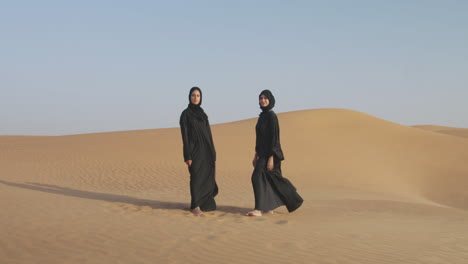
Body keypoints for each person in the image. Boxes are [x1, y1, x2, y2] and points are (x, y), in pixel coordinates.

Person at [246, 89, 303, 216]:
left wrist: (272, 157)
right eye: (261, 98)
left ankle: (258, 209)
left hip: (270, 154)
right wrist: (255, 155)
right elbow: (259, 138)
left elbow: (274, 138)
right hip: (262, 154)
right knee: (269, 179)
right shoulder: (262, 117)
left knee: (256, 177)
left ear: (270, 100)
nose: (263, 100)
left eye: (265, 98)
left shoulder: (271, 116)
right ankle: (269, 208)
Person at [179, 87, 218, 216]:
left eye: (198, 95)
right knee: (195, 177)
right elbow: (185, 136)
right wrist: (187, 155)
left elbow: (208, 133)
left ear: (201, 98)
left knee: (206, 177)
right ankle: (195, 205)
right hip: (194, 150)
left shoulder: (203, 114)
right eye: (193, 95)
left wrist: (213, 151)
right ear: (189, 97)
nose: (195, 97)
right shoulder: (186, 114)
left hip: (206, 151)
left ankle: (203, 203)